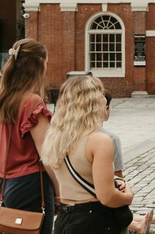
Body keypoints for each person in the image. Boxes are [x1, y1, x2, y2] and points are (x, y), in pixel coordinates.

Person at [42, 75, 135, 233]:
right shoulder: (99, 141)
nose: (104, 98)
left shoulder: (55, 137)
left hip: (65, 218)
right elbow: (107, 197)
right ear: (92, 102)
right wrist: (128, 196)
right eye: (100, 94)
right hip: (94, 220)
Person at [0, 39, 57, 234]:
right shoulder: (32, 101)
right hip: (30, 183)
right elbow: (46, 154)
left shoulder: (2, 99)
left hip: (3, 183)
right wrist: (60, 189)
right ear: (38, 64)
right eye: (46, 62)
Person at [102, 90, 155, 233]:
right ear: (106, 108)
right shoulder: (109, 139)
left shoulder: (64, 137)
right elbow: (118, 177)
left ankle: (149, 220)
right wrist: (128, 194)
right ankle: (139, 225)